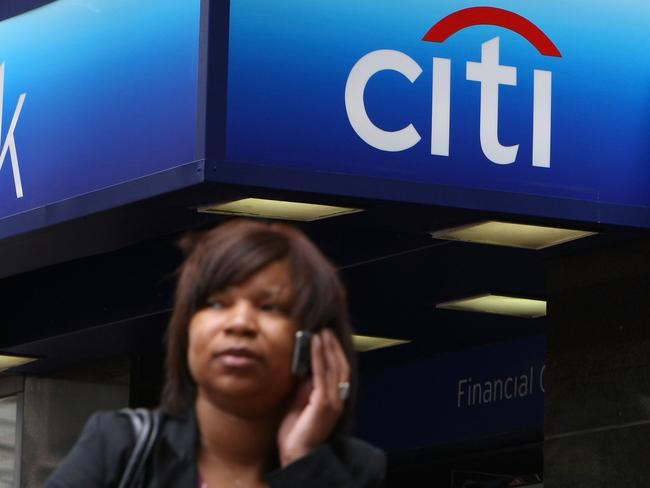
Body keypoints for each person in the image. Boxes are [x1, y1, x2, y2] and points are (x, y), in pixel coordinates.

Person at [45, 219, 385, 487]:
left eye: (270, 307)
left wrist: (302, 463)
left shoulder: (354, 471)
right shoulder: (118, 446)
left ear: (314, 342)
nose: (239, 323)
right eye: (216, 303)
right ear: (187, 328)